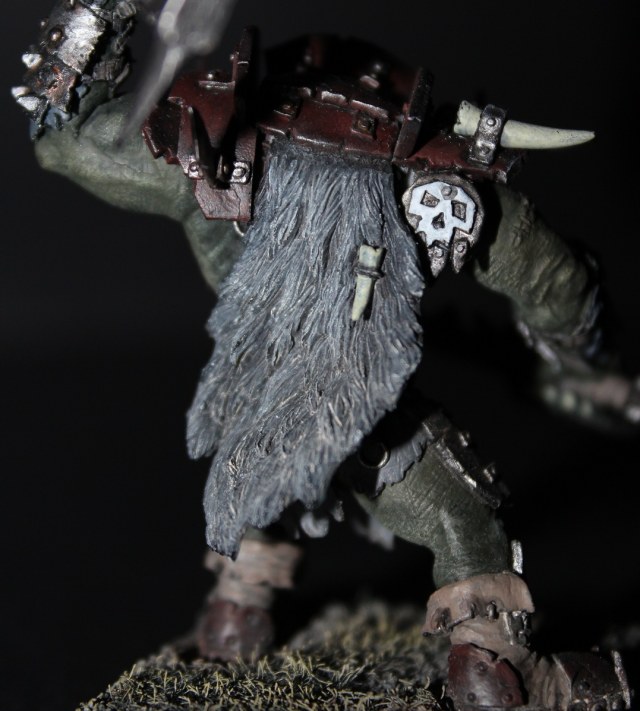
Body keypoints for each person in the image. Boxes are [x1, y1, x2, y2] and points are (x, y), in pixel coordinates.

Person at [14, 1, 637, 708]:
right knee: (465, 524)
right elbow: (557, 284)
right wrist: (585, 361)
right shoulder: (434, 185)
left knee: (257, 461)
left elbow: (64, 136)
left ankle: (237, 609)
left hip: (246, 411)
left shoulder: (211, 155)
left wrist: (96, 17)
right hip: (356, 413)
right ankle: (502, 673)